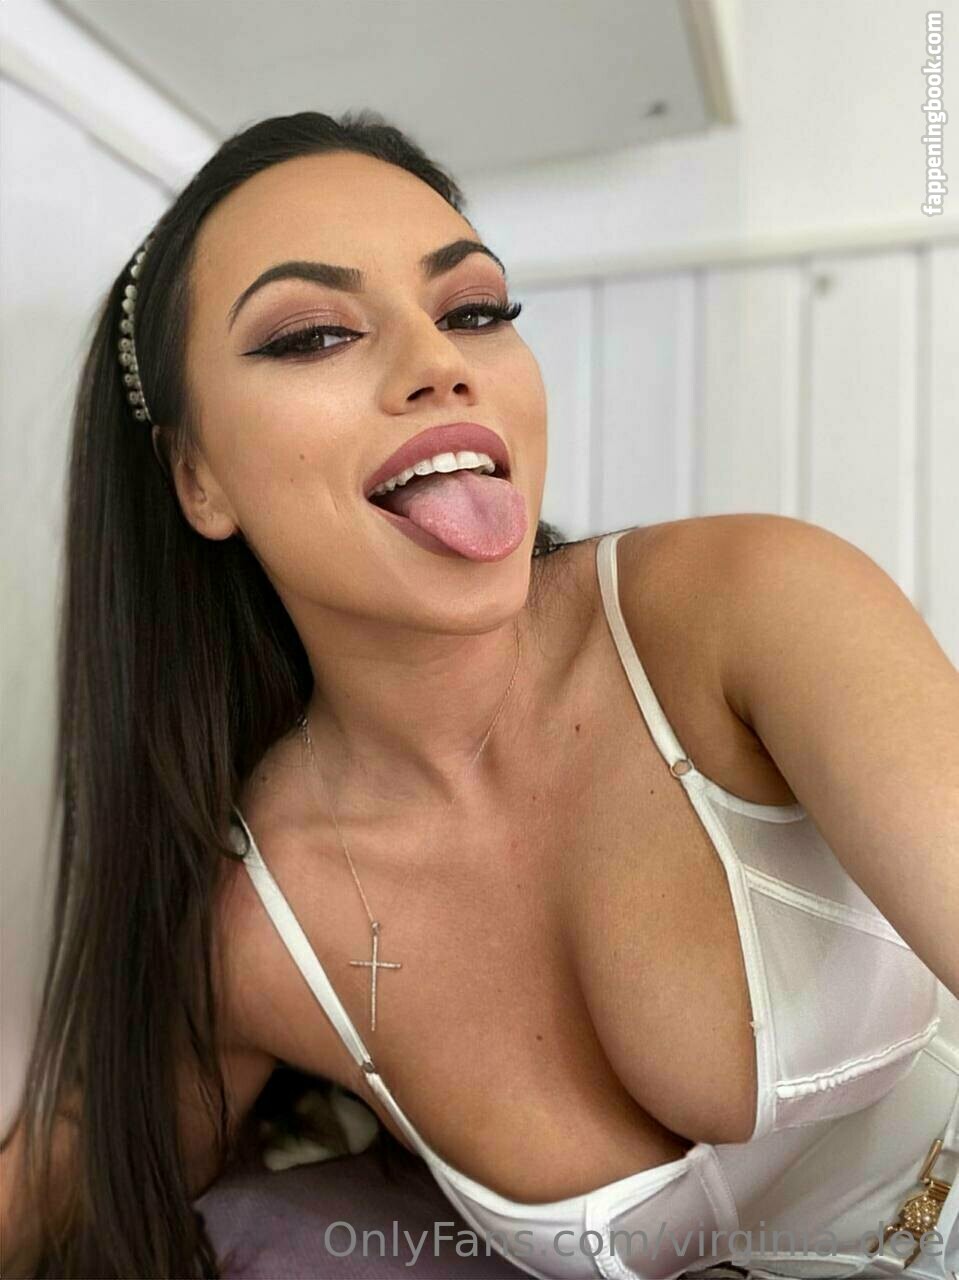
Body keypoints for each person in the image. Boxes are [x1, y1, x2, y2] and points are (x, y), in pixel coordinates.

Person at [0, 108, 956, 1280]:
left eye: (473, 310)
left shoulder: (748, 607)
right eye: (312, 333)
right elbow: (73, 1175)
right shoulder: (260, 934)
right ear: (198, 478)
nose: (440, 362)